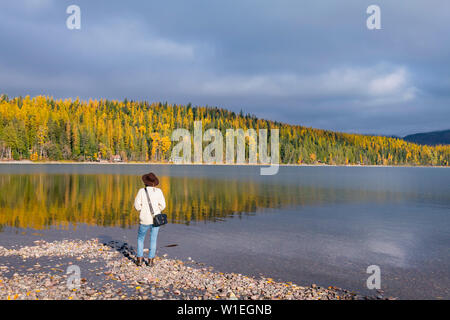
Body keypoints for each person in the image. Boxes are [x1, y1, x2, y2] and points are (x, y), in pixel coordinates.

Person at [134, 172, 166, 267]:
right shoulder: (159, 191)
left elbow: (137, 206)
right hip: (156, 219)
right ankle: (150, 261)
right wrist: (157, 210)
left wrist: (142, 209)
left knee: (140, 238)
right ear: (154, 182)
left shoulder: (141, 191)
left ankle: (139, 260)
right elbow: (163, 205)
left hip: (144, 219)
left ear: (145, 182)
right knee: (153, 239)